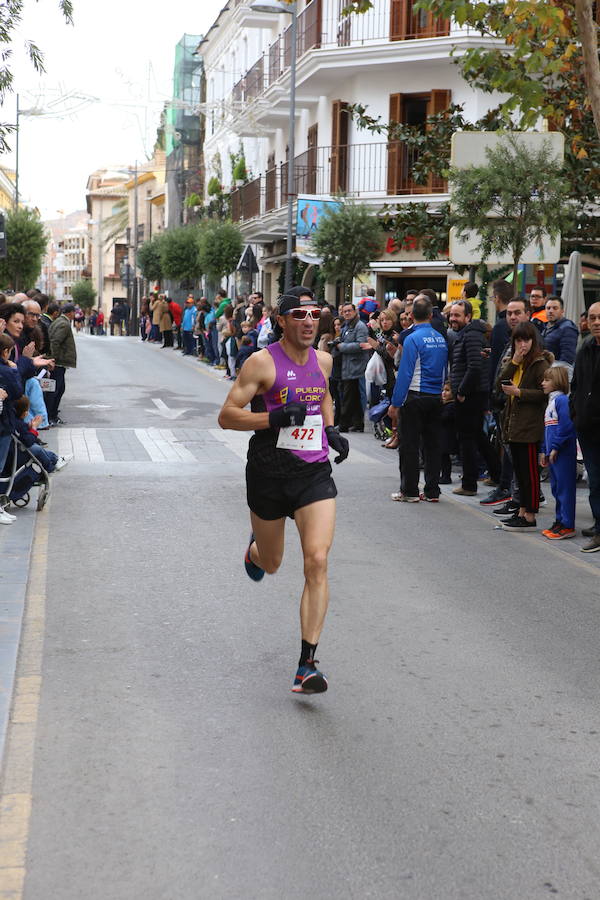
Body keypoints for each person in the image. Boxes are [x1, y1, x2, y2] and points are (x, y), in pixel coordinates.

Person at [217, 289, 349, 694]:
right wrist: (271, 418)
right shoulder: (261, 363)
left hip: (312, 473)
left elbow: (323, 394)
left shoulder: (323, 359)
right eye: (300, 315)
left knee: (317, 560)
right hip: (268, 473)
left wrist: (329, 429)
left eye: (315, 314)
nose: (309, 321)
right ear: (282, 320)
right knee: (272, 563)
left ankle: (307, 664)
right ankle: (255, 549)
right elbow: (226, 416)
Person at [389, 294, 448, 502]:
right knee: (433, 446)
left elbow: (405, 373)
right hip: (435, 398)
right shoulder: (441, 339)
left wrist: (395, 403)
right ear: (431, 315)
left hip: (414, 397)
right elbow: (444, 371)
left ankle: (410, 491)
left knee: (410, 446)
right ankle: (432, 491)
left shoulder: (412, 338)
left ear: (412, 315)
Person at [497, 322, 551, 530]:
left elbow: (545, 393)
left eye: (526, 340)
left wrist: (519, 393)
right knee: (519, 473)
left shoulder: (540, 364)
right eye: (518, 340)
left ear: (533, 341)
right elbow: (499, 385)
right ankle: (521, 511)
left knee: (529, 474)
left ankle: (530, 515)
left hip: (530, 426)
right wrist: (513, 363)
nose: (522, 345)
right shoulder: (516, 361)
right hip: (513, 424)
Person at [448, 299, 500, 495]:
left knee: (467, 439)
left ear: (468, 317)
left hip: (470, 396)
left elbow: (475, 366)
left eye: (457, 315)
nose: (453, 318)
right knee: (478, 436)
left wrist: (461, 391)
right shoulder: (469, 334)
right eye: (452, 314)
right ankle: (497, 473)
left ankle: (469, 484)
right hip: (474, 394)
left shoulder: (470, 336)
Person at [569, 301, 600, 552]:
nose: (596, 322)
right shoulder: (585, 346)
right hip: (587, 426)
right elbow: (577, 384)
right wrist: (574, 410)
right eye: (592, 318)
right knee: (595, 480)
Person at [540, 366, 577, 540]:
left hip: (562, 452)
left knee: (565, 488)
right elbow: (547, 430)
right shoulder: (551, 401)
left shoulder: (562, 400)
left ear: (558, 382)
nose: (543, 383)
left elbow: (566, 426)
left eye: (547, 380)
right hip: (553, 452)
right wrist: (544, 450)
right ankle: (560, 520)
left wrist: (554, 448)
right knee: (556, 488)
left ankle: (568, 524)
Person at [333, 303, 369, 433]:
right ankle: (358, 424)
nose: (347, 313)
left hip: (356, 367)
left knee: (348, 398)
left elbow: (361, 345)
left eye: (349, 311)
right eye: (344, 311)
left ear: (355, 312)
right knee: (354, 398)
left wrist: (342, 347)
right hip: (347, 367)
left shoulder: (360, 326)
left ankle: (343, 425)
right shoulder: (346, 326)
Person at [48, 303, 77, 426]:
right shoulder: (64, 324)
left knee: (58, 389)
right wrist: (53, 359)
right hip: (58, 363)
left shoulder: (58, 321)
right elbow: (55, 341)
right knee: (57, 390)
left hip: (58, 362)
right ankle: (51, 416)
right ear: (70, 313)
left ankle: (52, 415)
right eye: (74, 312)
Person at [542, 295, 578, 374]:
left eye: (555, 308)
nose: (550, 311)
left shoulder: (568, 328)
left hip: (558, 376)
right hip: (545, 372)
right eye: (548, 308)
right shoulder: (545, 327)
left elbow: (567, 358)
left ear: (562, 311)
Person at [489, 280, 513, 383]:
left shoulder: (500, 325)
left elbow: (499, 358)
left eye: (492, 298)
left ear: (497, 298)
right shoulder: (519, 323)